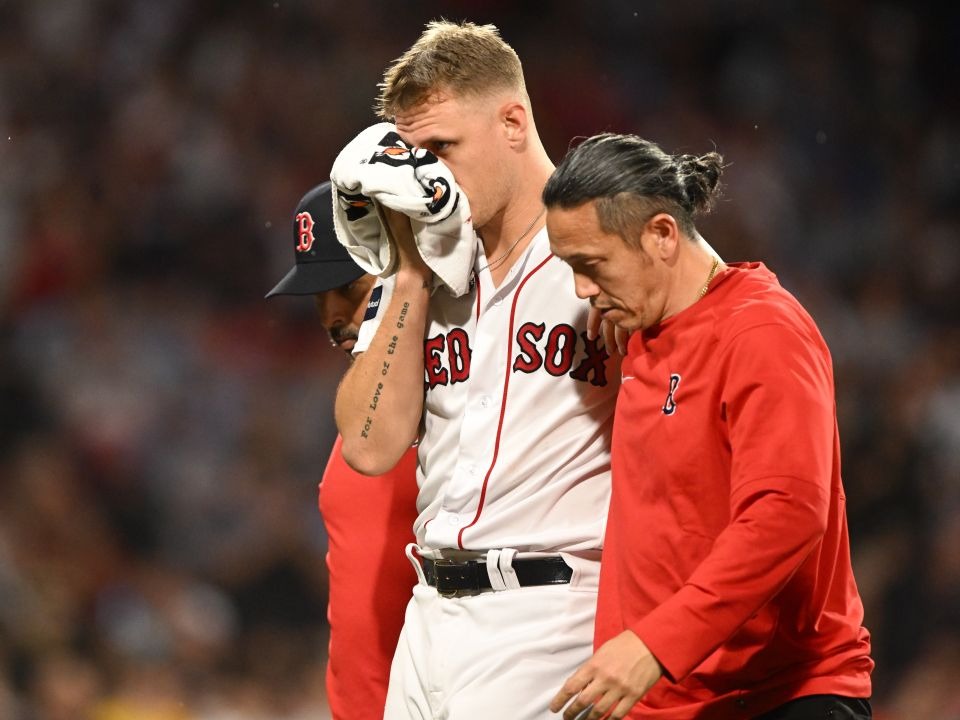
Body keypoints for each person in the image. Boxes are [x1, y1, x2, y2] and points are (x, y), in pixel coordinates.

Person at [333, 21, 620, 720]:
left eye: (443, 149)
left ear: (514, 122)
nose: (428, 175)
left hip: (552, 611)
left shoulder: (607, 247)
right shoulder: (427, 273)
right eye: (414, 155)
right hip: (428, 612)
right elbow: (369, 448)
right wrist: (407, 271)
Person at [542, 133, 874, 720]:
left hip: (774, 697)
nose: (581, 290)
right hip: (664, 700)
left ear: (662, 235)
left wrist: (655, 642)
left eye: (591, 265)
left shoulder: (762, 332)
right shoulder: (645, 324)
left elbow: (788, 512)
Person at [266, 181, 419, 720]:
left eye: (349, 286)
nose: (332, 315)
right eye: (317, 292)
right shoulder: (365, 410)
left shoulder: (466, 400)